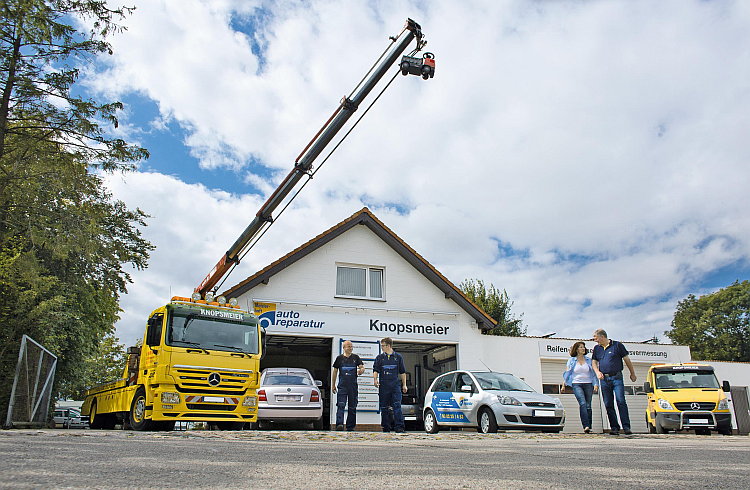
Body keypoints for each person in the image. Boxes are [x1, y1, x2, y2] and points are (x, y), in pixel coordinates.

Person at [591, 329, 637, 435]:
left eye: (595, 337)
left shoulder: (617, 345)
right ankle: (614, 428)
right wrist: (597, 372)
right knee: (608, 403)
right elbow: (594, 362)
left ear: (602, 336)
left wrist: (632, 373)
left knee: (621, 401)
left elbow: (627, 360)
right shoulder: (597, 349)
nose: (594, 340)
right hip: (604, 380)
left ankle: (626, 427)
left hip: (617, 378)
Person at [562, 341, 599, 433]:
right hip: (576, 384)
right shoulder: (571, 360)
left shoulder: (589, 360)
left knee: (588, 406)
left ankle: (589, 426)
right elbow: (567, 373)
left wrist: (596, 384)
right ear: (577, 349)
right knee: (582, 403)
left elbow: (594, 373)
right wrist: (564, 384)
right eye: (581, 347)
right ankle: (585, 426)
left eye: (583, 347)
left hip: (588, 384)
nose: (583, 348)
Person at [372, 337, 407, 433]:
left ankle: (399, 427)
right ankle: (386, 427)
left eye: (383, 346)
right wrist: (375, 380)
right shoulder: (379, 358)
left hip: (395, 385)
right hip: (383, 385)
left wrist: (404, 385)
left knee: (397, 405)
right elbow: (375, 370)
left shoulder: (398, 357)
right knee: (384, 407)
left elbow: (402, 372)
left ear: (389, 346)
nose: (382, 347)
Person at [331, 340, 365, 431]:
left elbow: (362, 367)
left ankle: (350, 426)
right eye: (348, 346)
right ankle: (339, 424)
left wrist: (361, 370)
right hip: (342, 386)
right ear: (344, 348)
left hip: (353, 386)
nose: (350, 348)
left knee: (352, 406)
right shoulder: (339, 358)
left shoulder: (356, 357)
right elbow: (335, 372)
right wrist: (333, 385)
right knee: (341, 405)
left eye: (351, 346)